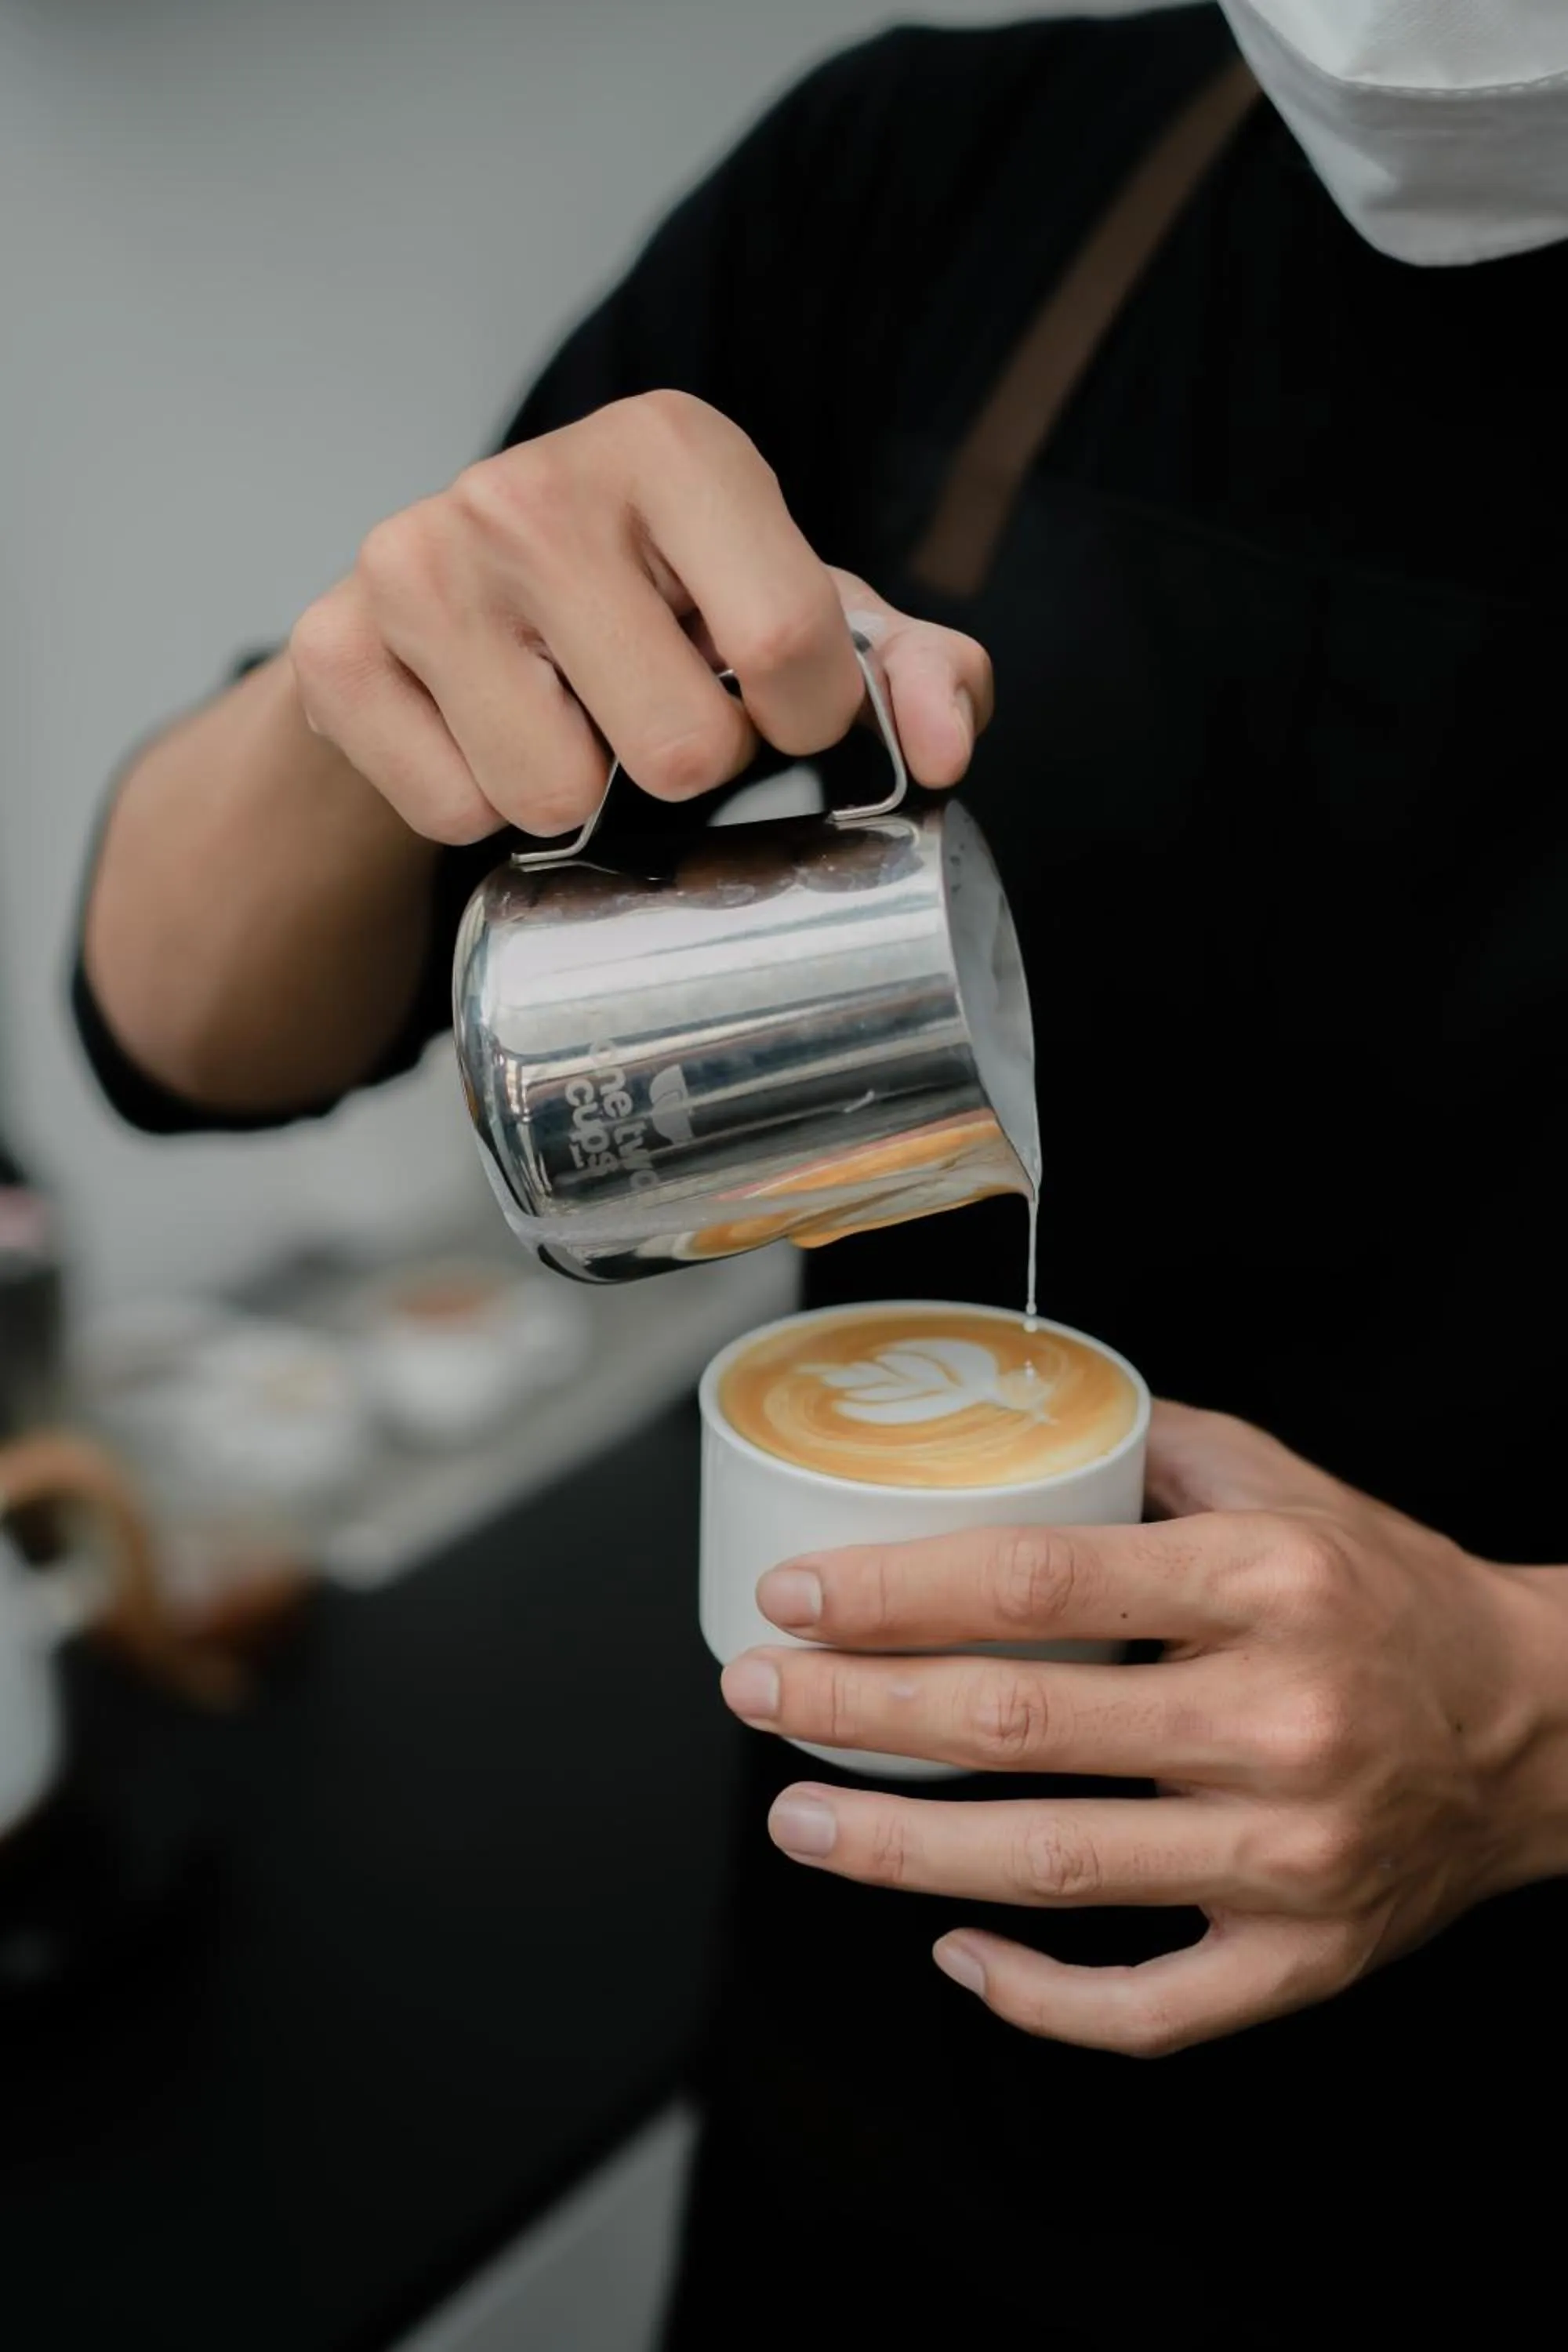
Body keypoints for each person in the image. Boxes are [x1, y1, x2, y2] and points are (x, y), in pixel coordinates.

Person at [74, 4, 1568, 2341]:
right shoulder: (958, 174)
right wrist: (354, 683)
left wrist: (1539, 1715)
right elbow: (166, 1025)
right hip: (880, 2083)